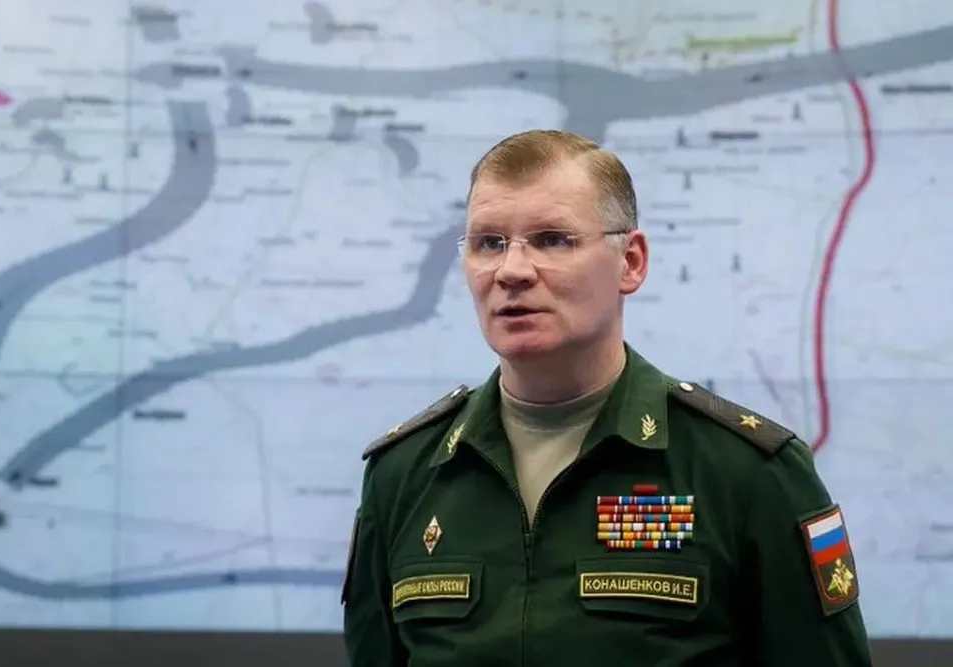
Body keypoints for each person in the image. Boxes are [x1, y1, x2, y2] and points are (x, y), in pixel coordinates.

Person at [341, 129, 873, 666]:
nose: (512, 271)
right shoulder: (404, 475)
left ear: (631, 262)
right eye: (489, 243)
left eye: (553, 240)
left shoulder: (746, 472)